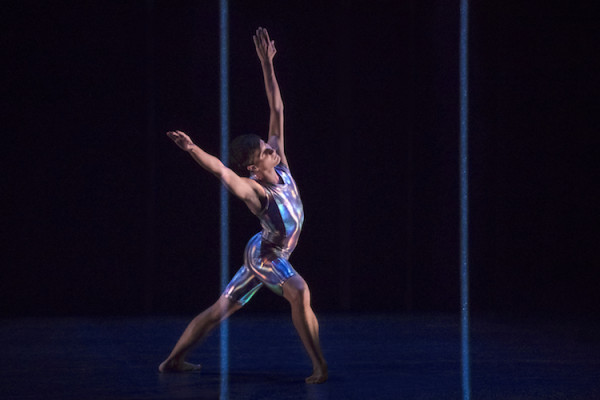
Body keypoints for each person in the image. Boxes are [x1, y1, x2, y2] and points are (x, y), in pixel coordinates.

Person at [159, 27, 328, 384]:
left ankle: (172, 361)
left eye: (269, 146)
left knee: (223, 307)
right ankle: (319, 367)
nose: (272, 148)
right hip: (267, 255)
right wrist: (192, 149)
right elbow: (222, 171)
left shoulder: (280, 163)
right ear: (254, 167)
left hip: (263, 248)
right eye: (265, 152)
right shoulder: (256, 192)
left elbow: (276, 106)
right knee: (299, 291)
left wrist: (267, 64)